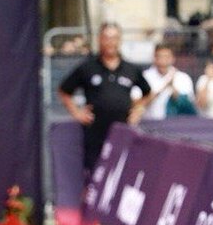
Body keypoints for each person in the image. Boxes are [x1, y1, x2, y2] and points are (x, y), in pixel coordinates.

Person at [58, 22, 152, 172]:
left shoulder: (131, 69)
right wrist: (77, 112)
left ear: (119, 40)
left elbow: (147, 92)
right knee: (94, 174)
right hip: (95, 132)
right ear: (100, 40)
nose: (110, 42)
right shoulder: (87, 67)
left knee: (122, 172)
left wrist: (138, 110)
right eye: (106, 38)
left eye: (114, 38)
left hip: (123, 130)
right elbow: (64, 91)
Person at [137, 44, 196, 121]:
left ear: (173, 59)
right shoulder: (144, 76)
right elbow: (137, 104)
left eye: (166, 57)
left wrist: (173, 88)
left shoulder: (183, 77)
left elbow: (188, 106)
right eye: (160, 57)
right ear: (154, 58)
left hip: (174, 125)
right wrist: (164, 86)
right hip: (149, 122)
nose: (163, 61)